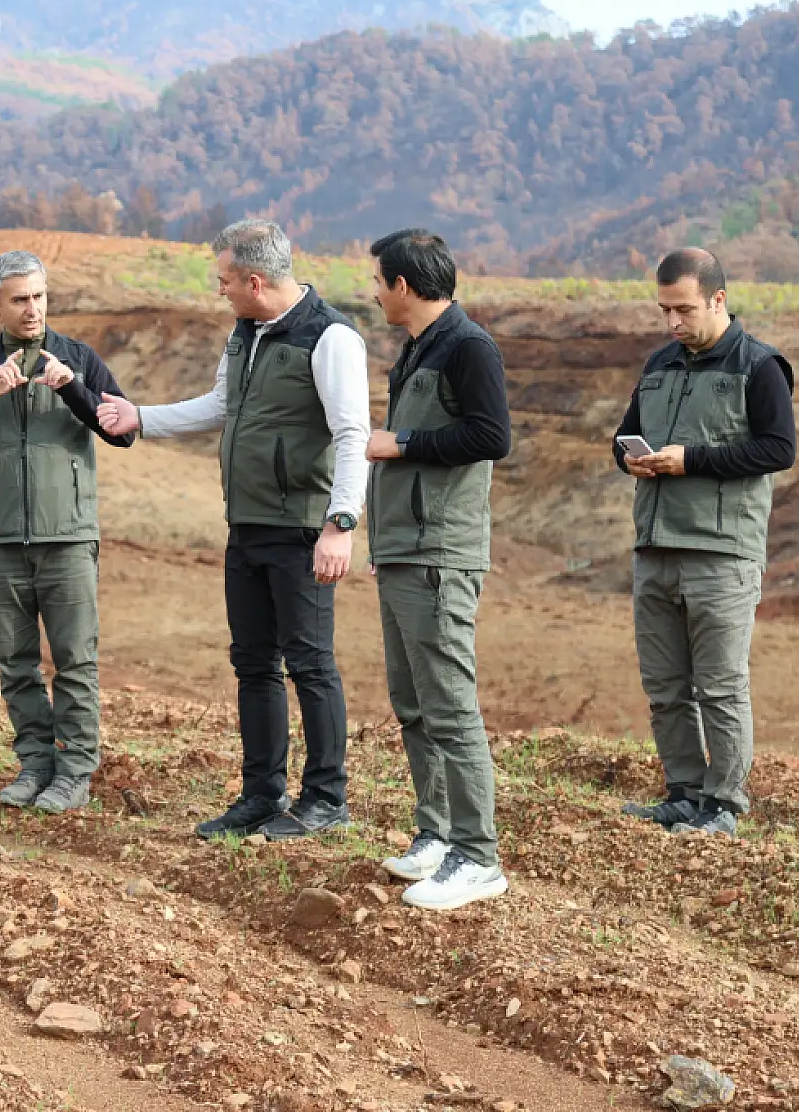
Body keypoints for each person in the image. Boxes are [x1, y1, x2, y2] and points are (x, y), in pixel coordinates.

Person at [97, 219, 369, 841]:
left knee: (310, 663)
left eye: (224, 281)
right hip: (245, 523)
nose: (218, 291)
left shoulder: (331, 338)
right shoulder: (244, 334)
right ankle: (260, 796)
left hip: (301, 528)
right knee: (253, 663)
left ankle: (326, 799)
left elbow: (353, 434)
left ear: (254, 280)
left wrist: (341, 523)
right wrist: (141, 418)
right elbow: (221, 406)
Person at [0, 250, 133, 814]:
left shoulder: (79, 358)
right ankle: (35, 763)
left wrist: (74, 390)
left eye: (39, 296)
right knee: (15, 662)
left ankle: (74, 773)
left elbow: (122, 432)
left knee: (75, 660)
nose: (32, 309)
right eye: (19, 299)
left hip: (67, 539)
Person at [614, 249, 796, 838]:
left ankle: (724, 805)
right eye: (664, 309)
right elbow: (622, 436)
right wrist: (629, 458)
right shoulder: (659, 363)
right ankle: (684, 793)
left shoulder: (759, 366)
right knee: (665, 686)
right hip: (655, 548)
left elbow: (777, 449)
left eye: (683, 309)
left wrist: (691, 460)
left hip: (721, 554)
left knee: (719, 686)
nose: (672, 322)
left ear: (718, 299)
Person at [363, 229, 513, 911]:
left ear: (404, 284)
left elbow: (491, 435)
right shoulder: (419, 348)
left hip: (439, 550)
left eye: (378, 279)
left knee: (449, 704)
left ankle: (478, 855)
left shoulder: (468, 346)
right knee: (415, 703)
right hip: (401, 547)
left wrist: (404, 443)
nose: (373, 291)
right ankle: (437, 831)